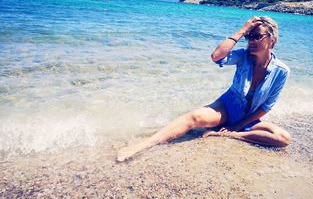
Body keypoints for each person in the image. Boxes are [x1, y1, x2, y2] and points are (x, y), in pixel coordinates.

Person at [117, 16, 291, 162]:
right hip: (228, 108)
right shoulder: (242, 56)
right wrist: (242, 30)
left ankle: (228, 135)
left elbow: (266, 107)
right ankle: (144, 144)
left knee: (283, 138)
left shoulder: (281, 71)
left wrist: (237, 128)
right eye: (249, 36)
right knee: (194, 117)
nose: (251, 41)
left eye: (257, 36)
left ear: (272, 39)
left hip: (248, 119)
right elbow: (216, 56)